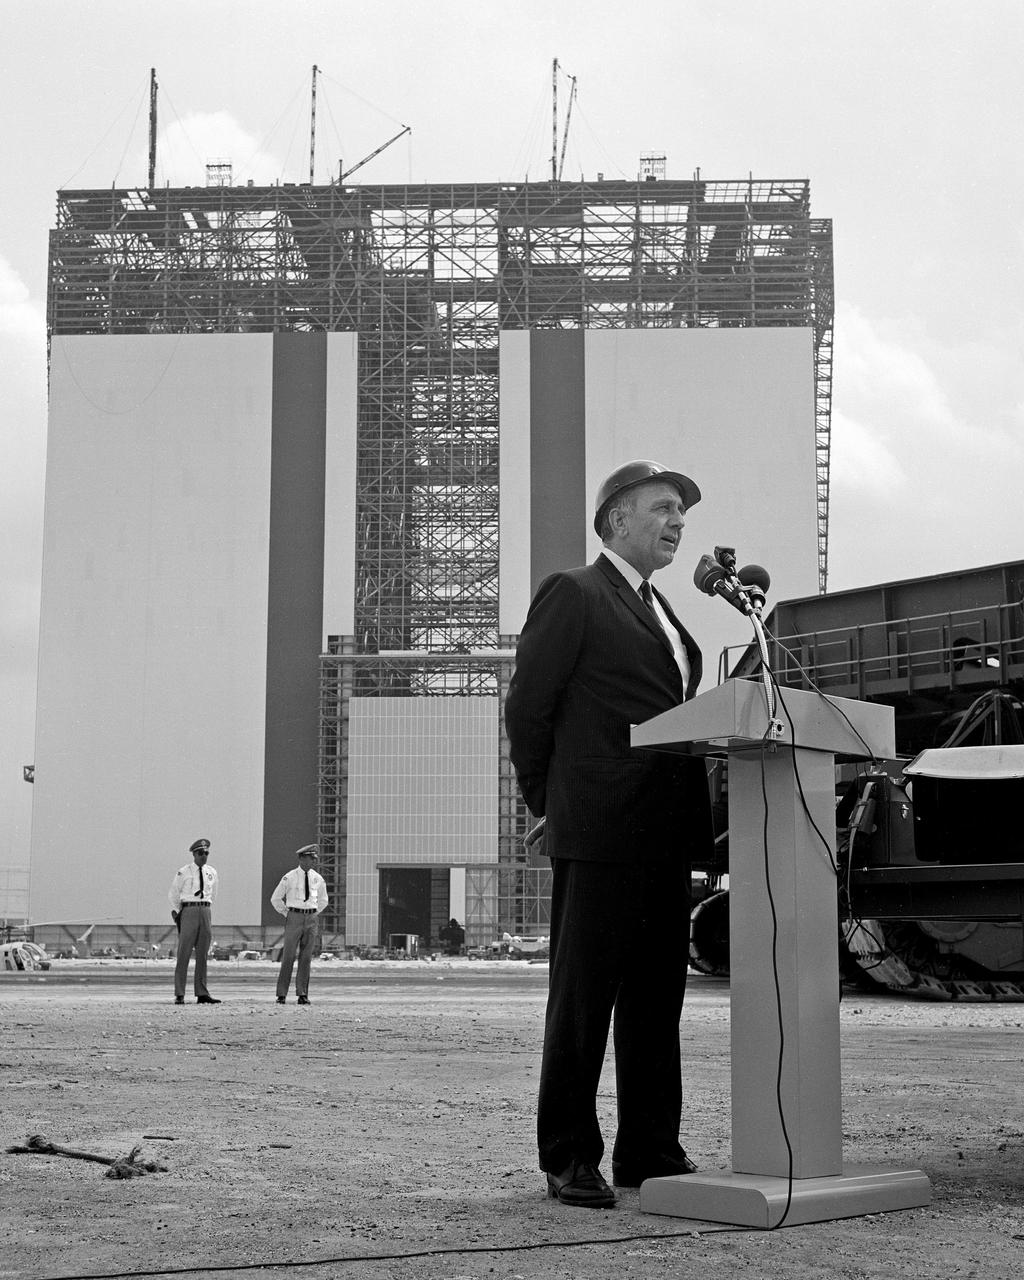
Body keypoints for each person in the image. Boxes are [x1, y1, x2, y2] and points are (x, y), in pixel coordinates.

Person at [503, 459, 714, 1209]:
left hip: (663, 837)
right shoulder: (576, 593)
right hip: (598, 831)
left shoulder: (667, 614)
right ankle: (568, 1156)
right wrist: (548, 802)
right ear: (617, 518)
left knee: (657, 1003)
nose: (678, 522)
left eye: (682, 512)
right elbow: (529, 707)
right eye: (664, 508)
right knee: (584, 1000)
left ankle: (649, 1150)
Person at [271, 843, 329, 1004]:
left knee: (306, 957)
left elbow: (323, 900)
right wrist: (286, 913)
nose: (314, 861)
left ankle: (302, 993)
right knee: (288, 956)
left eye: (314, 859)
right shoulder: (289, 877)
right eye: (311, 858)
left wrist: (313, 913)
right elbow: (275, 898)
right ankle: (281, 994)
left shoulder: (318, 878)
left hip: (310, 918)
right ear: (302, 859)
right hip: (294, 917)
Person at [168, 838, 221, 1005]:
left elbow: (214, 894)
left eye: (206, 853)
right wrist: (181, 912)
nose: (203, 856)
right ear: (194, 854)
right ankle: (180, 993)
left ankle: (202, 992)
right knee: (183, 953)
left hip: (205, 910)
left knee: (203, 954)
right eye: (200, 853)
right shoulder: (183, 872)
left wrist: (204, 907)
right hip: (188, 910)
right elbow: (174, 894)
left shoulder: (211, 872)